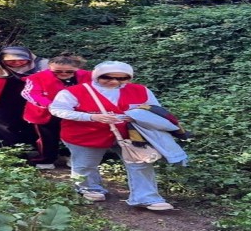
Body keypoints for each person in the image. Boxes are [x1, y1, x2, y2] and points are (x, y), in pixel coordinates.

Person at [49, 61, 174, 211]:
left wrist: (135, 116)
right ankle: (89, 188)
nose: (114, 82)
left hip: (130, 134)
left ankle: (147, 197)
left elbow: (154, 109)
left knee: (141, 163)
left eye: (122, 78)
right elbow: (57, 109)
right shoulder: (73, 92)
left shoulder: (141, 90)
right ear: (96, 76)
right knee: (85, 164)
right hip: (85, 134)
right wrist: (91, 117)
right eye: (107, 77)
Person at [21, 53, 92, 169]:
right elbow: (29, 93)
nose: (63, 74)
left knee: (77, 136)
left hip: (76, 112)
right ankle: (47, 159)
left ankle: (73, 158)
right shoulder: (37, 77)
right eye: (57, 71)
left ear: (77, 69)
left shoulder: (89, 76)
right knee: (47, 137)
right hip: (45, 113)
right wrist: (50, 105)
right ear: (50, 68)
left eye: (69, 71)